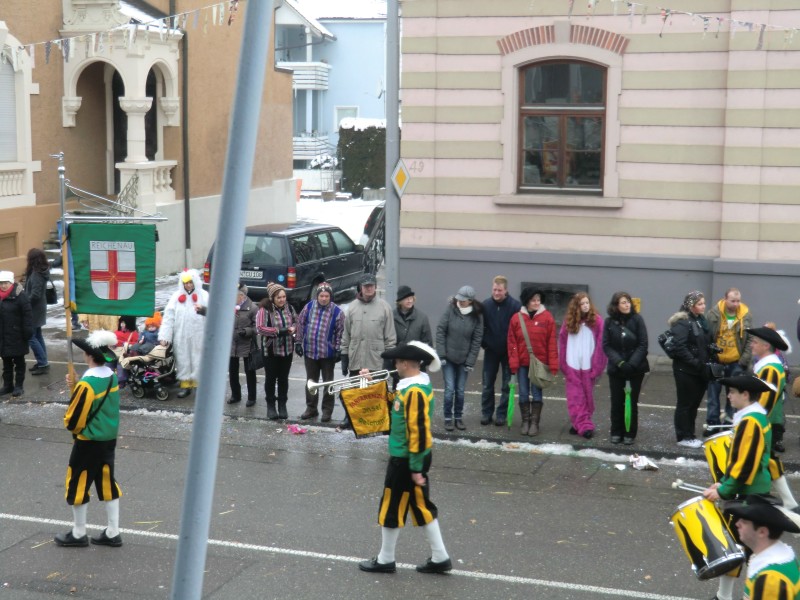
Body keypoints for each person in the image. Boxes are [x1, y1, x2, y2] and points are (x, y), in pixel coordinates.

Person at [358, 341, 452, 575]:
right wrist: (372, 384)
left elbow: (418, 430)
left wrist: (416, 468)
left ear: (408, 363)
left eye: (398, 362)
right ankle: (440, 557)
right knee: (420, 506)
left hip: (407, 458)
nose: (395, 366)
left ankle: (385, 559)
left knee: (391, 505)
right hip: (412, 457)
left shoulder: (416, 391)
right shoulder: (409, 387)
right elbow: (396, 408)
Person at [703, 374, 776, 600]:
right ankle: (725, 596)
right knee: (740, 548)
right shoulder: (753, 418)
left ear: (745, 395)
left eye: (733, 392)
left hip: (749, 494)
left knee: (741, 549)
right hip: (751, 490)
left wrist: (724, 490)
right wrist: (724, 481)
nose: (729, 396)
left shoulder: (751, 422)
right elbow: (739, 459)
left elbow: (745, 465)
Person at [55, 330, 123, 548]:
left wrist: (77, 388)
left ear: (89, 356)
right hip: (108, 439)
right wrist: (76, 383)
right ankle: (113, 532)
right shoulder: (111, 376)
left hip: (88, 441)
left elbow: (73, 420)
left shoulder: (87, 385)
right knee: (107, 482)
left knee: (78, 483)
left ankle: (78, 533)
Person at [747, 326, 798, 511]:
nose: (751, 344)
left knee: (763, 459)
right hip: (765, 420)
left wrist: (753, 421)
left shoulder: (770, 368)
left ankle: (757, 495)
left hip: (765, 421)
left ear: (766, 345)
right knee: (768, 460)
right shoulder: (767, 365)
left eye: (755, 342)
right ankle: (785, 500)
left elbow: (765, 400)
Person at [339, 273, 396, 430]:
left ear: (375, 287)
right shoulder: (352, 308)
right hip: (356, 358)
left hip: (376, 359)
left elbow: (390, 337)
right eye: (366, 286)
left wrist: (388, 360)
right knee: (354, 392)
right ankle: (349, 417)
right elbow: (346, 335)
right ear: (361, 288)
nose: (369, 288)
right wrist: (344, 355)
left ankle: (376, 421)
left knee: (376, 393)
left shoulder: (385, 308)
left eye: (371, 285)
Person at [726, 495, 800, 600]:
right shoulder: (781, 557)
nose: (737, 524)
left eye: (744, 522)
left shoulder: (770, 579)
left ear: (762, 532)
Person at [602, 291, 649, 445]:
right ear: (616, 305)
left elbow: (643, 344)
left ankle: (630, 432)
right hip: (617, 369)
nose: (627, 304)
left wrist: (632, 363)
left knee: (631, 402)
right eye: (623, 302)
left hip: (635, 369)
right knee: (616, 401)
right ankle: (616, 431)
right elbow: (607, 346)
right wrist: (620, 363)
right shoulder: (609, 322)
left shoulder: (637, 320)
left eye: (628, 301)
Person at [558, 292, 607, 439]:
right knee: (574, 397)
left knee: (586, 396)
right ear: (577, 307)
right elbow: (563, 342)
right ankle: (584, 425)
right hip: (572, 365)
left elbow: (601, 345)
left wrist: (597, 366)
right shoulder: (569, 322)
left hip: (588, 367)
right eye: (582, 304)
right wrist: (564, 364)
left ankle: (579, 422)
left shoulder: (597, 321)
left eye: (587, 303)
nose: (585, 306)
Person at [435, 285, 483, 431]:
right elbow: (440, 331)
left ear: (470, 301)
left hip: (464, 359)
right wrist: (441, 354)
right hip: (448, 358)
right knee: (450, 389)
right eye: (459, 299)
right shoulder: (450, 310)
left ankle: (458, 418)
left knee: (460, 390)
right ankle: (448, 418)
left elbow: (477, 339)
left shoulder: (477, 316)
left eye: (463, 300)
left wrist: (470, 361)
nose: (460, 302)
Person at [668, 291, 712, 449]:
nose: (703, 306)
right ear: (691, 306)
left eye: (703, 303)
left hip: (699, 370)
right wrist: (695, 362)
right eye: (700, 303)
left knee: (693, 404)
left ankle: (690, 434)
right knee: (685, 404)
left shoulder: (700, 320)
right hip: (685, 370)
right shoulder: (683, 321)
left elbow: (703, 342)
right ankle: (683, 436)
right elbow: (680, 347)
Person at [296, 282, 344, 422]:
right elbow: (300, 323)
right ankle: (311, 408)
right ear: (317, 296)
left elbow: (340, 332)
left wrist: (337, 349)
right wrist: (298, 342)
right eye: (321, 296)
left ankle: (327, 411)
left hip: (327, 354)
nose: (323, 298)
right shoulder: (309, 307)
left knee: (328, 383)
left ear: (330, 296)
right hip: (310, 352)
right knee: (311, 382)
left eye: (326, 296)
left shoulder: (337, 312)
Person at [705, 288, 752, 430]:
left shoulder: (745, 315)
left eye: (738, 301)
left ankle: (728, 423)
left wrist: (743, 361)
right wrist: (709, 356)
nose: (736, 304)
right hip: (716, 360)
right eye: (733, 301)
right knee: (713, 394)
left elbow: (750, 339)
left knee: (733, 395)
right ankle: (712, 424)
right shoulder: (713, 314)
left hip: (735, 362)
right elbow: (706, 336)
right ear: (725, 299)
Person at [159, 269, 208, 398]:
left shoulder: (204, 295)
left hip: (199, 335)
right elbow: (169, 317)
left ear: (195, 282)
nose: (188, 286)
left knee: (198, 359)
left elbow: (212, 314)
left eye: (190, 283)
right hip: (181, 336)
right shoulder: (175, 297)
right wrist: (165, 336)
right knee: (183, 359)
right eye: (185, 283)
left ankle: (198, 384)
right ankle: (185, 385)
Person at [480, 276, 521, 426]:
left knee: (506, 385)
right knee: (487, 384)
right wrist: (485, 344)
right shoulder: (486, 305)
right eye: (494, 289)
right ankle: (486, 413)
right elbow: (480, 327)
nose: (496, 293)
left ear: (506, 290)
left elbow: (518, 331)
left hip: (508, 353)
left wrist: (514, 349)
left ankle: (501, 414)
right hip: (490, 351)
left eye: (499, 290)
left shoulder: (515, 306)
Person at [256, 282, 297, 419]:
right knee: (271, 379)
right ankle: (271, 406)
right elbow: (260, 328)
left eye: (284, 297)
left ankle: (282, 405)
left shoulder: (289, 308)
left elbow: (297, 322)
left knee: (283, 379)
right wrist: (279, 331)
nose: (282, 300)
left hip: (287, 350)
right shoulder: (264, 310)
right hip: (271, 351)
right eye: (279, 297)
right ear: (272, 298)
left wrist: (294, 328)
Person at [392, 285, 433, 392]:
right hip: (399, 366)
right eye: (406, 298)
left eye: (411, 298)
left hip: (416, 368)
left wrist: (423, 362)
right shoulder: (391, 316)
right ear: (400, 301)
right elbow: (388, 340)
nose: (410, 300)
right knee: (398, 398)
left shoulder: (422, 317)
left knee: (415, 398)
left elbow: (428, 342)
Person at [0, 271, 32, 398]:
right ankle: (8, 385)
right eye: (1, 283)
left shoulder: (20, 296)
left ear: (11, 283)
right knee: (6, 363)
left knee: (19, 362)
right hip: (3, 337)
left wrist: (27, 332)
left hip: (17, 335)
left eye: (5, 283)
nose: (3, 286)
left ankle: (19, 386)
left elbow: (28, 315)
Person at [230, 283, 258, 407]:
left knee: (249, 371)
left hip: (247, 344)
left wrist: (247, 331)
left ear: (242, 296)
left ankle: (252, 397)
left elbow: (257, 327)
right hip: (232, 344)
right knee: (232, 371)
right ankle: (235, 395)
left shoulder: (252, 308)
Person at [24, 248, 51, 375]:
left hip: (34, 309)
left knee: (31, 337)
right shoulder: (40, 272)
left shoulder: (36, 274)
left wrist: (25, 303)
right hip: (39, 308)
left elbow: (35, 294)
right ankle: (42, 361)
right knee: (37, 335)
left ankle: (43, 363)